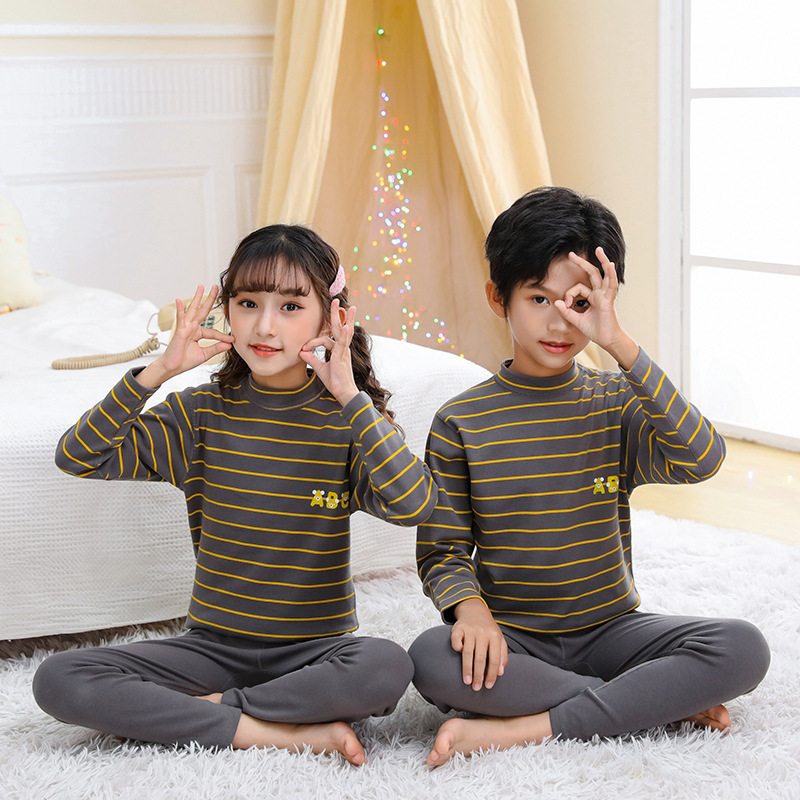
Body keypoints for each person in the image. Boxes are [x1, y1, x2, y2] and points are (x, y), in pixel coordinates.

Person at [33, 224, 437, 766]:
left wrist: (348, 394)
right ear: (227, 311)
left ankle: (214, 714)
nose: (265, 326)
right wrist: (158, 371)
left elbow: (416, 504)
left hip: (316, 651)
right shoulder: (199, 413)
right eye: (248, 304)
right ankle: (277, 731)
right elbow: (78, 455)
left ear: (330, 319)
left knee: (386, 666)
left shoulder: (347, 421)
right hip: (211, 649)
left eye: (291, 307)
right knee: (59, 678)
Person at [408, 186, 770, 767]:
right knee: (430, 659)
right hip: (514, 638)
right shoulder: (461, 421)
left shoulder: (616, 402)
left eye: (578, 302)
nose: (560, 321)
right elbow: (442, 550)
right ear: (499, 298)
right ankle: (646, 703)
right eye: (538, 298)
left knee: (743, 647)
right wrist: (471, 612)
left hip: (613, 632)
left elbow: (702, 456)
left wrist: (619, 343)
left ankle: (530, 725)